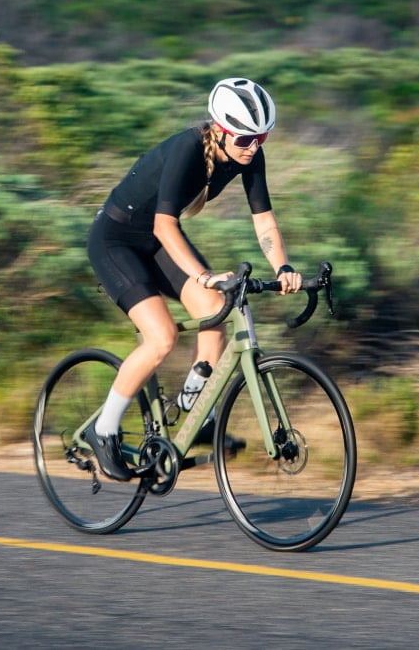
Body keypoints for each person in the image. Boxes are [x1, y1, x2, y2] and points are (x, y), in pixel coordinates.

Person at [84, 77, 303, 481]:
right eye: (245, 138)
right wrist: (202, 275)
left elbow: (264, 219)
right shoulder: (188, 147)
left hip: (154, 241)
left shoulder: (249, 156)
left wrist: (283, 268)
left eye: (263, 137)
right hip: (116, 241)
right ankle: (104, 429)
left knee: (218, 312)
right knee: (162, 337)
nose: (254, 147)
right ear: (221, 130)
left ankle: (195, 409)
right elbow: (165, 226)